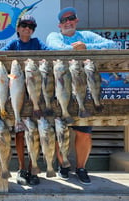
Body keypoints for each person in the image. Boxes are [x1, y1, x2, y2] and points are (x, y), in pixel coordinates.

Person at [46, 7, 117, 185]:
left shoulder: (88, 36)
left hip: (84, 93)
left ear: (76, 21)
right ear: (59, 25)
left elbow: (113, 45)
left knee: (84, 133)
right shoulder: (54, 36)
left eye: (71, 19)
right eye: (64, 21)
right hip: (60, 92)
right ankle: (62, 166)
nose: (67, 22)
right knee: (59, 132)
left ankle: (81, 168)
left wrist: (87, 47)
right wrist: (77, 50)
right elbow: (56, 48)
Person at [2, 14, 50, 186]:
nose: (27, 28)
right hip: (18, 94)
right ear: (18, 27)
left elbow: (52, 54)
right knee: (20, 133)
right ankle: (22, 168)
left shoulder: (38, 43)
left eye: (31, 26)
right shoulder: (13, 45)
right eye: (24, 25)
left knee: (35, 134)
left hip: (35, 94)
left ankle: (33, 168)